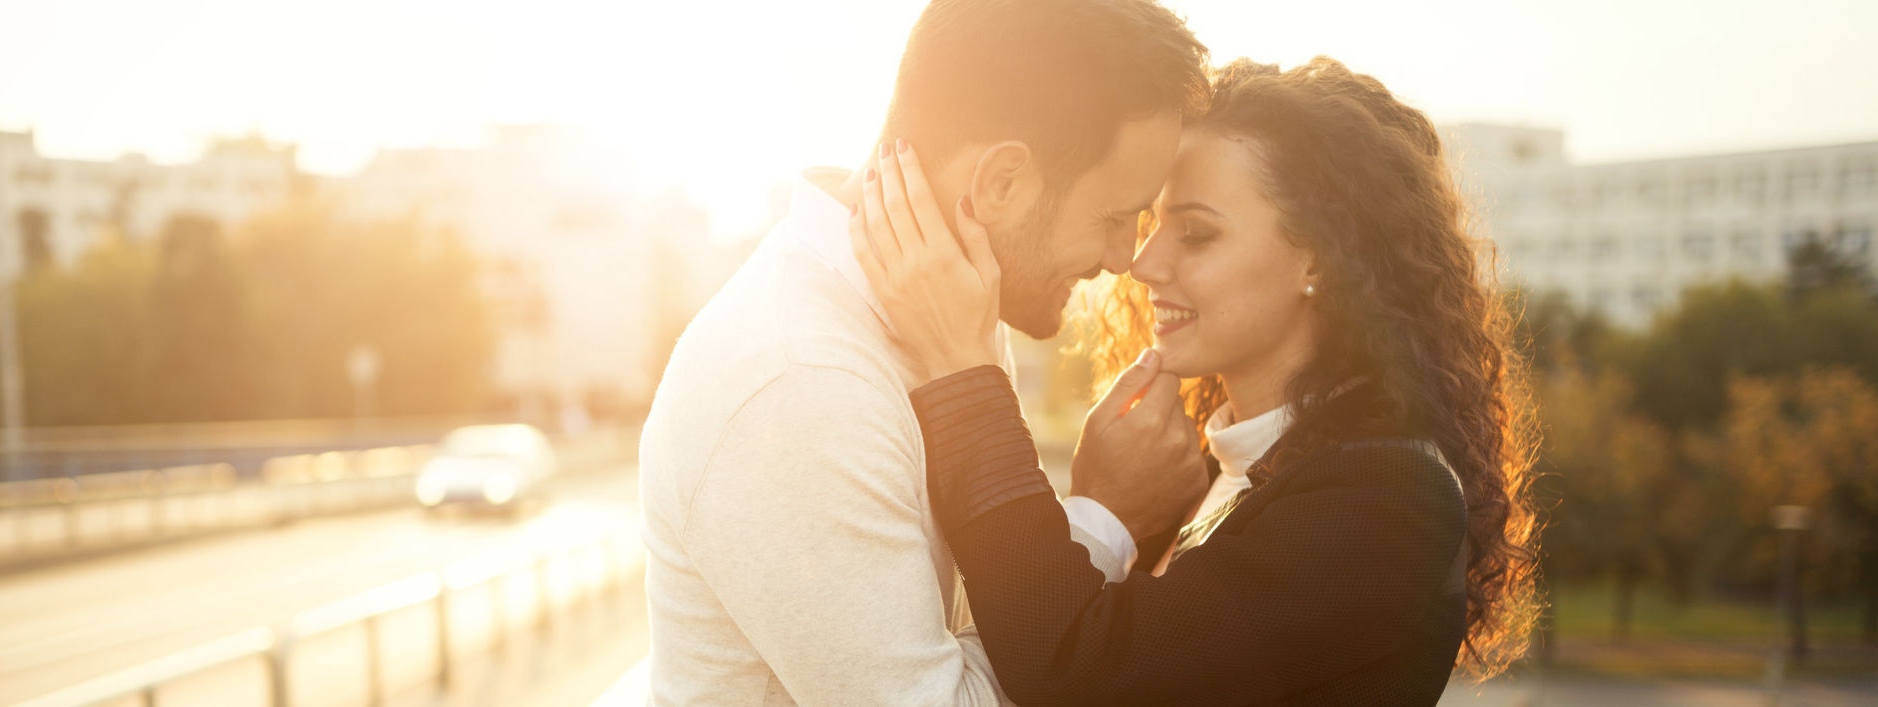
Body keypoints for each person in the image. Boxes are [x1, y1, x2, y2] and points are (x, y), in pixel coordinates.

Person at [852, 57, 1540, 706]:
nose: (1142, 262)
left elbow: (1072, 666)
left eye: (1197, 233)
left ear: (1321, 259)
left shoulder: (1386, 498)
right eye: (1152, 223)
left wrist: (962, 372)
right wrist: (1110, 508)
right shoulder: (1213, 472)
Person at [636, 0, 1207, 704]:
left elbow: (975, 607)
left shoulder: (949, 309)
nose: (1125, 258)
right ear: (999, 182)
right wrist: (1103, 516)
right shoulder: (800, 381)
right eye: (1116, 217)